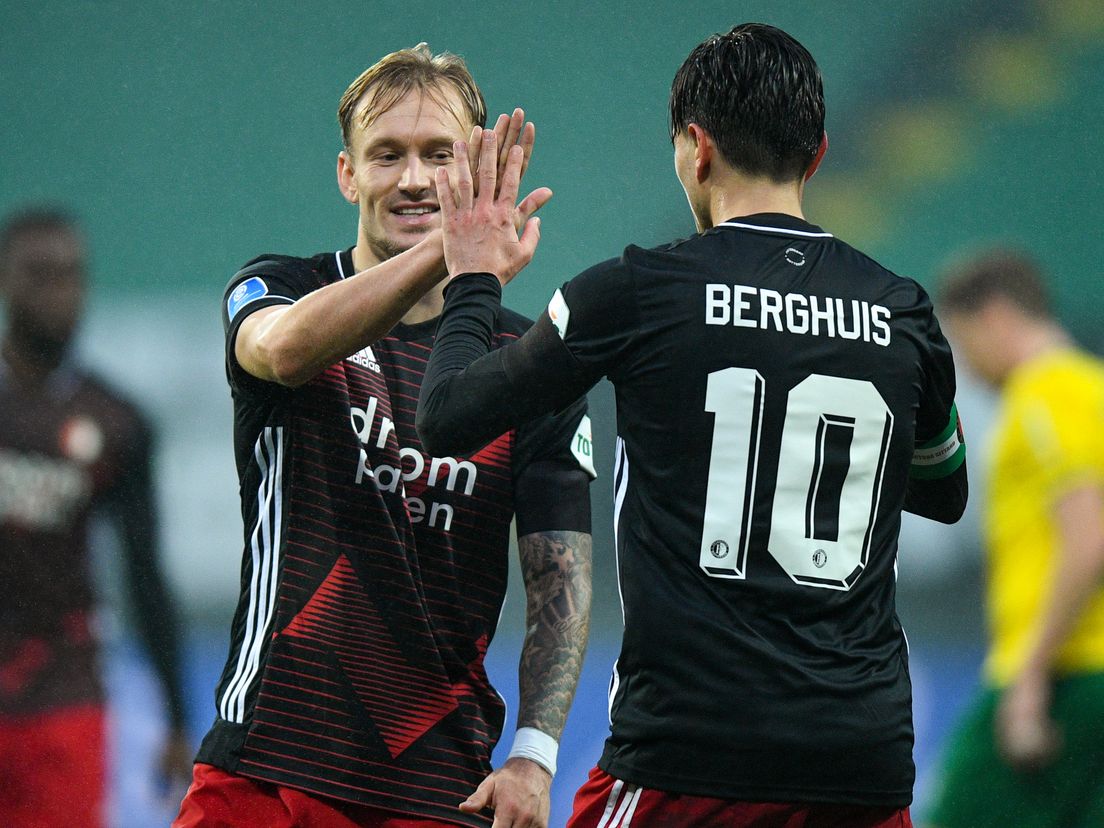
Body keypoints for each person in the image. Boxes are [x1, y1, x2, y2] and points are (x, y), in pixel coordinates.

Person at [416, 22, 970, 827]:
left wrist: (472, 279)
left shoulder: (637, 292)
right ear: (815, 155)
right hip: (863, 759)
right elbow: (944, 490)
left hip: (693, 751)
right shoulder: (903, 312)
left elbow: (446, 416)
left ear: (696, 148)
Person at [173, 44, 595, 828]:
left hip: (436, 785)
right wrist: (457, 244)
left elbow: (559, 582)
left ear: (474, 164)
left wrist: (535, 757)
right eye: (386, 155)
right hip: (264, 764)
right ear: (346, 174)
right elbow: (285, 351)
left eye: (440, 156)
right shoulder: (281, 289)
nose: (411, 179)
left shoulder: (529, 363)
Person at [0, 207, 191, 827]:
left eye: (73, 276)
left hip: (63, 695)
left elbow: (145, 574)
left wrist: (177, 714)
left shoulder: (113, 422)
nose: (63, 294)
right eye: (42, 275)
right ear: (6, 281)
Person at [922, 250, 1104, 828]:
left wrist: (1029, 676)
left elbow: (1088, 538)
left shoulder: (1047, 393)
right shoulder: (1091, 388)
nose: (966, 368)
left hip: (1066, 673)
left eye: (962, 340)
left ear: (996, 316)